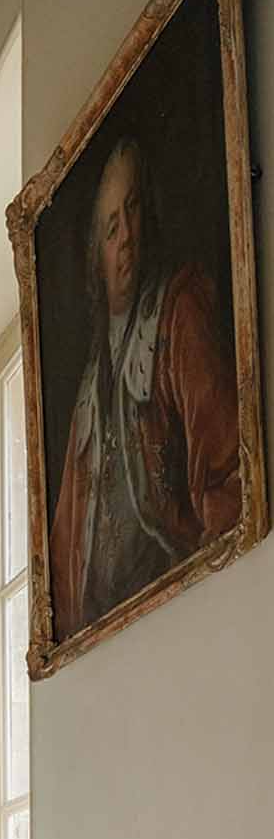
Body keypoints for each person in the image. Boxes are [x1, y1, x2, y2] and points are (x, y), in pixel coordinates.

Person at [49, 134, 241, 640]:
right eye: (112, 228)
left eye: (133, 210)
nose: (127, 236)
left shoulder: (179, 312)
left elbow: (226, 467)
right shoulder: (91, 383)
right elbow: (65, 554)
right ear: (97, 256)